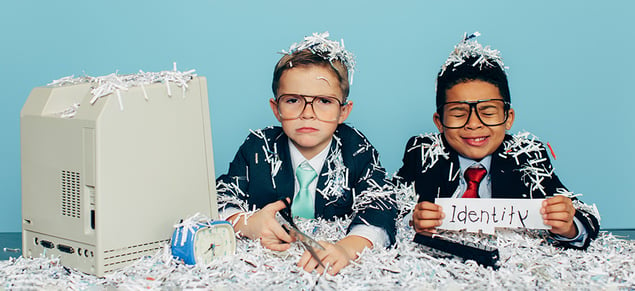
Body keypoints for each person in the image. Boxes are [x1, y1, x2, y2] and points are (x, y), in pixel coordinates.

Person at [395, 32, 599, 250]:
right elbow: (389, 206)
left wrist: (569, 226)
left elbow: (583, 215)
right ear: (439, 121)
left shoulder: (528, 156)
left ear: (508, 118)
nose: (473, 124)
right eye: (458, 113)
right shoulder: (423, 152)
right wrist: (411, 220)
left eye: (488, 111)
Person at [216, 32, 397, 275]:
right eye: (292, 100)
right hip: (267, 268)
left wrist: (347, 247)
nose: (308, 113)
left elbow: (381, 202)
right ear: (276, 108)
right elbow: (221, 195)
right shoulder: (258, 147)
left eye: (324, 100)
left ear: (343, 111)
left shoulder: (356, 149)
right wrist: (247, 223)